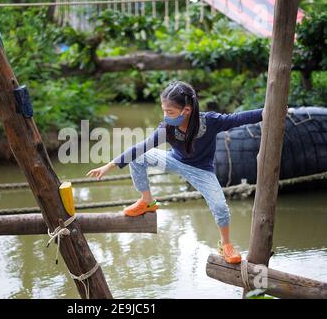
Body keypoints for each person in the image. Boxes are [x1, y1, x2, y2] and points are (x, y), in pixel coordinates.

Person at [87, 81, 266, 264]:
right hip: (174, 161)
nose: (165, 115)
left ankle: (226, 244)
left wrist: (265, 112)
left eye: (169, 112)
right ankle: (147, 201)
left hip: (201, 171)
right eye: (163, 111)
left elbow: (237, 118)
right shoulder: (166, 128)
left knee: (220, 207)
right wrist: (109, 165)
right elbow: (141, 147)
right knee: (138, 158)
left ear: (186, 110)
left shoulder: (210, 122)